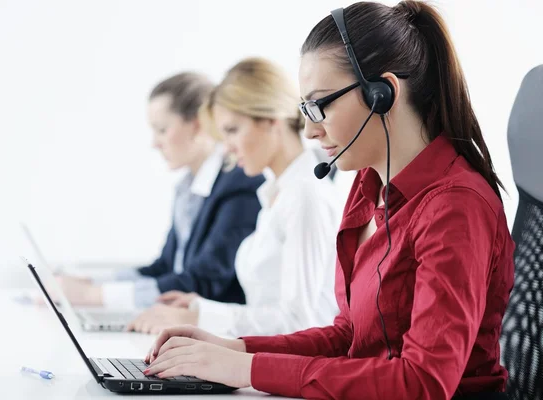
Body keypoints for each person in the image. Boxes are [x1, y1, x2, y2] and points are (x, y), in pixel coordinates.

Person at [139, 2, 515, 399]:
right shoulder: (369, 185)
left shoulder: (456, 206)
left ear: (382, 94)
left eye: (321, 105)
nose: (310, 130)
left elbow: (422, 382)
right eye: (305, 109)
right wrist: (236, 349)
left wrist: (250, 369)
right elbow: (349, 335)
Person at [126, 57, 341, 337]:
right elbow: (269, 307)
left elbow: (301, 323)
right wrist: (201, 307)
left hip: (283, 371)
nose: (226, 148)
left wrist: (199, 316)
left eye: (231, 131)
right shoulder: (275, 194)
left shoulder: (304, 197)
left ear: (270, 121)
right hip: (263, 360)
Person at [56, 72, 264, 309]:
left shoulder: (240, 185)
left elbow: (206, 280)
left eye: (162, 130)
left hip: (218, 333)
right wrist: (91, 283)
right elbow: (165, 267)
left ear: (198, 124)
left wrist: (94, 296)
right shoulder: (188, 189)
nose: (155, 143)